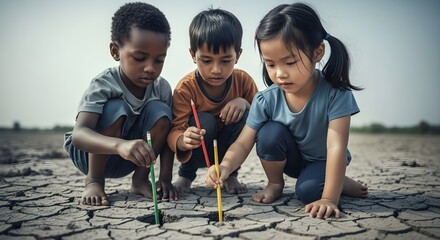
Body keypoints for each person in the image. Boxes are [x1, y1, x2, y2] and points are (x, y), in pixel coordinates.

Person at [205, 2, 368, 219]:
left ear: (317, 52)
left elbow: (336, 148)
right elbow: (243, 142)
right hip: (292, 160)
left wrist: (329, 198)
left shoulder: (336, 94)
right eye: (270, 64)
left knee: (308, 191)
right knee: (269, 133)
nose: (280, 73)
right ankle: (275, 184)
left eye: (290, 62)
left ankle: (340, 183)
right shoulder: (267, 99)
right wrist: (224, 166)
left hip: (324, 161)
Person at [63, 2, 178, 206]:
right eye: (140, 58)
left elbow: (168, 138)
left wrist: (165, 179)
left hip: (132, 159)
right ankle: (94, 180)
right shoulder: (104, 84)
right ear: (116, 51)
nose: (151, 68)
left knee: (161, 112)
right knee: (116, 108)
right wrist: (119, 145)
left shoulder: (161, 89)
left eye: (159, 60)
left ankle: (140, 180)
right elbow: (80, 135)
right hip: (90, 155)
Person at [167, 8, 258, 195]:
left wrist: (244, 103)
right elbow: (175, 129)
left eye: (225, 61)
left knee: (247, 116)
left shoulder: (243, 82)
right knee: (204, 121)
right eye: (206, 60)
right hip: (199, 150)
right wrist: (183, 140)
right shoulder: (186, 88)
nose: (216, 69)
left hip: (229, 151)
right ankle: (186, 175)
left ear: (238, 55)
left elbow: (261, 113)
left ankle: (231, 174)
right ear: (193, 54)